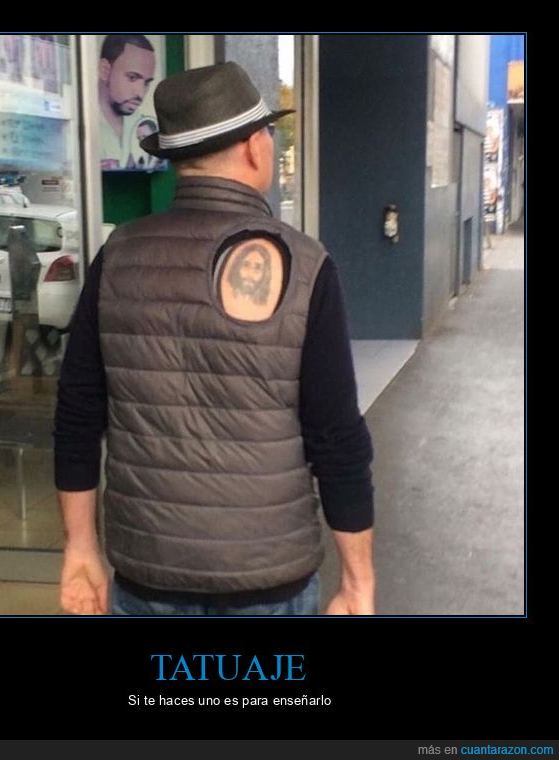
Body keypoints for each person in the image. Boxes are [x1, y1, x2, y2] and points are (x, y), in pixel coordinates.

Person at [55, 61, 375, 616]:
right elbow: (336, 437)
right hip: (269, 579)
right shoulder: (306, 265)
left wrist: (80, 546)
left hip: (147, 576)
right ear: (253, 147)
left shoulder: (118, 256)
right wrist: (357, 580)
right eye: (268, 133)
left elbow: (78, 417)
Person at [98, 35, 157, 170]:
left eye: (147, 83)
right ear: (104, 70)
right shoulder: (75, 122)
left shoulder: (144, 126)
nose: (140, 93)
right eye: (132, 78)